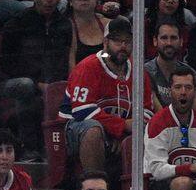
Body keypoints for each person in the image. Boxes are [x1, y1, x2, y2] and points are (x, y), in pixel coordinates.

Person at [61, 16, 158, 175]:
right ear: (105, 42)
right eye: (117, 41)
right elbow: (82, 112)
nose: (123, 46)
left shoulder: (138, 71)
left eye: (127, 41)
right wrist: (122, 126)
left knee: (151, 130)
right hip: (73, 129)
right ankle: (94, 183)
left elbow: (147, 111)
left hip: (113, 130)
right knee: (93, 129)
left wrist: (123, 136)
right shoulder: (88, 67)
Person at [0, 0, 72, 158]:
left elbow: (66, 60)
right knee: (26, 86)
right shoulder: (18, 22)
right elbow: (7, 64)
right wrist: (38, 82)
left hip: (54, 84)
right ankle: (29, 149)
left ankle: (58, 155)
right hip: (17, 82)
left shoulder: (65, 25)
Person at [144, 21, 196, 112]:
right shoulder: (145, 72)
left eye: (173, 38)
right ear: (155, 41)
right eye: (164, 38)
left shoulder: (192, 75)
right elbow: (160, 115)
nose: (169, 43)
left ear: (181, 41)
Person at [66, 0, 109, 68]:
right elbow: (70, 65)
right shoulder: (67, 26)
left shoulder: (107, 24)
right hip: (80, 79)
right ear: (71, 1)